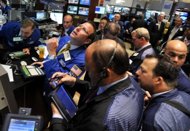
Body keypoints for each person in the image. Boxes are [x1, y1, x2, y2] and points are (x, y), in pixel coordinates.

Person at [49, 39, 144, 131]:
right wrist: (74, 81)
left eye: (89, 68)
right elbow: (101, 91)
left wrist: (57, 118)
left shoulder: (98, 122)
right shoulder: (131, 82)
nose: (87, 71)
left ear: (105, 73)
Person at [136, 55, 190, 130]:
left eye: (143, 71)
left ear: (158, 80)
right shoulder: (186, 96)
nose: (137, 72)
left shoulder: (152, 121)